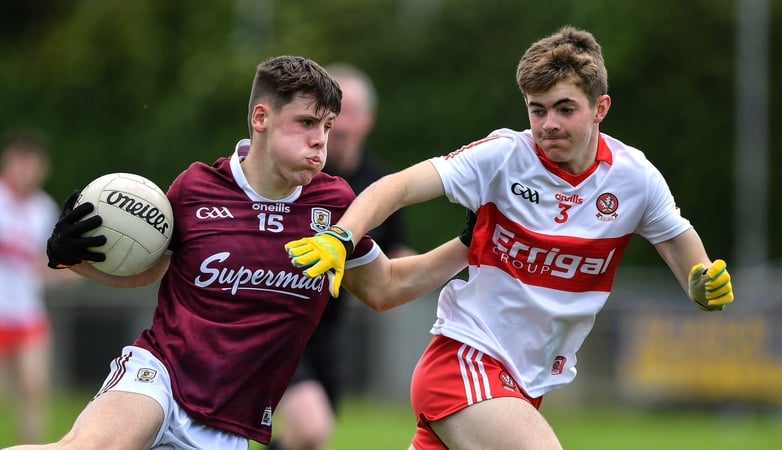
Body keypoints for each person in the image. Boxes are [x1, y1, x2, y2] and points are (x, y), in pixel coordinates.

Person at [286, 26, 735, 449]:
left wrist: (702, 287)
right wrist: (342, 236)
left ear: (601, 108)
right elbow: (397, 186)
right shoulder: (504, 156)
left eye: (565, 109)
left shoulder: (635, 178)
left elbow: (692, 264)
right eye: (537, 110)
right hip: (465, 364)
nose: (548, 125)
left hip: (524, 384)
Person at [5, 55, 468, 450]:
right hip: (161, 375)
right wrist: (73, 257)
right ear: (261, 118)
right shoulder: (196, 188)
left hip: (229, 424)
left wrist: (469, 245)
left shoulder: (333, 204)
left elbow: (386, 287)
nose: (320, 140)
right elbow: (151, 270)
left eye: (326, 126)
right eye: (306, 123)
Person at [268, 63, 415, 450]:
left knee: (310, 438)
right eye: (330, 116)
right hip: (275, 319)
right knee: (311, 427)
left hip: (328, 327)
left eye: (350, 113)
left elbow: (394, 251)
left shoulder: (381, 184)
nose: (340, 126)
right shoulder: (292, 173)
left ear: (368, 119)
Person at [0, 132, 75, 444]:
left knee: (35, 389)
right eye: (22, 163)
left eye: (33, 165)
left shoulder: (43, 207)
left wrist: (70, 271)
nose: (27, 171)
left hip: (28, 313)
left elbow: (48, 263)